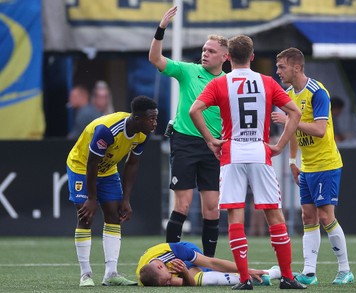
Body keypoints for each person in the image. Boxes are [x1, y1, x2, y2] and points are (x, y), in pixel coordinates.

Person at [190, 35, 305, 290]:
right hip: (259, 152)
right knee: (274, 215)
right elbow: (294, 113)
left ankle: (244, 280)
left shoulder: (220, 83)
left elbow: (194, 110)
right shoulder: (267, 82)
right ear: (253, 57)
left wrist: (211, 140)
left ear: (228, 57)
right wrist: (280, 145)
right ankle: (287, 277)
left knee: (235, 216)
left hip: (232, 153)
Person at [149, 5, 228, 257]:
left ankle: (209, 263)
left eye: (211, 51)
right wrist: (161, 29)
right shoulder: (188, 71)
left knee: (212, 208)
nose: (205, 54)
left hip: (213, 147)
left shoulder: (228, 82)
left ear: (224, 57)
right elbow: (155, 59)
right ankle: (170, 257)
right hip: (184, 143)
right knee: (183, 204)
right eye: (204, 49)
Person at [272, 47, 354, 285]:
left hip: (326, 163)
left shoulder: (318, 92)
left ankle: (345, 270)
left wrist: (292, 120)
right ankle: (309, 272)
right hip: (307, 166)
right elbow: (293, 133)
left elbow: (319, 130)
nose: (278, 71)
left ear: (297, 67)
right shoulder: (290, 94)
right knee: (308, 216)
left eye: (282, 67)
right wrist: (292, 161)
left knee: (326, 216)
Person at [66, 96, 158, 287]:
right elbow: (92, 163)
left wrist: (126, 199)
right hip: (82, 166)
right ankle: (85, 274)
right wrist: (92, 198)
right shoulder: (107, 131)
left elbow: (132, 164)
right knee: (85, 216)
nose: (155, 123)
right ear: (138, 118)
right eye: (151, 119)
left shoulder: (142, 133)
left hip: (107, 169)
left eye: (156, 118)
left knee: (114, 215)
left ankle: (111, 274)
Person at [136, 241, 281, 287]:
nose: (169, 284)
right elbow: (188, 284)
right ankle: (271, 274)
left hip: (187, 252)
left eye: (167, 281)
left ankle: (267, 272)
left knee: (200, 276)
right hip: (171, 266)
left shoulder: (177, 251)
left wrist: (247, 270)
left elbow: (212, 263)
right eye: (166, 284)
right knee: (195, 279)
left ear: (161, 267)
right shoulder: (146, 279)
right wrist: (185, 274)